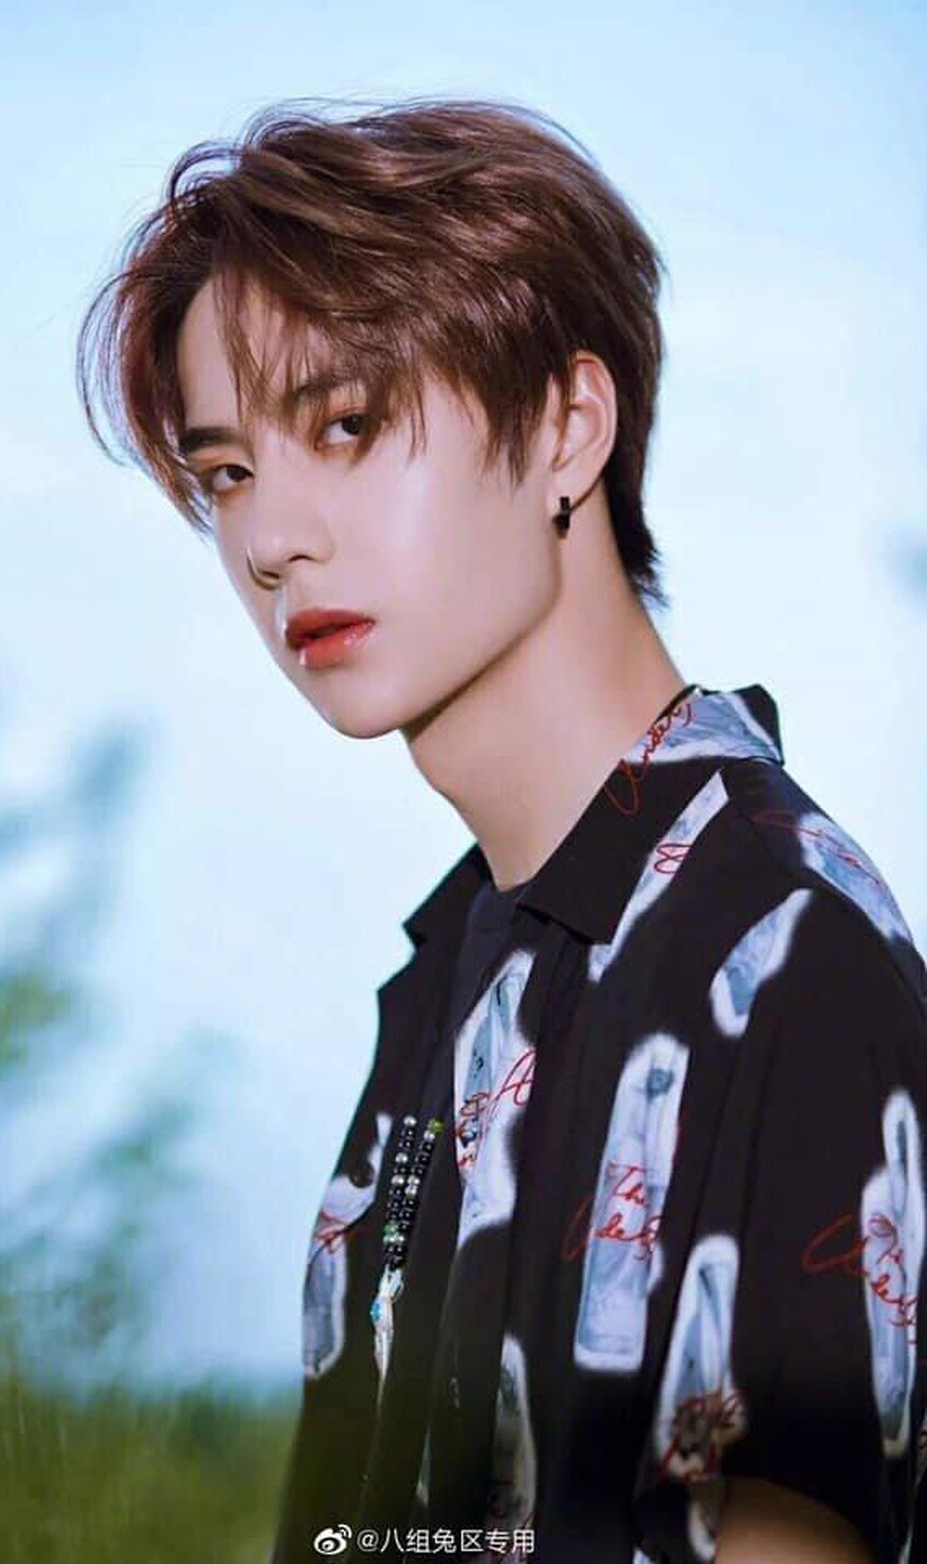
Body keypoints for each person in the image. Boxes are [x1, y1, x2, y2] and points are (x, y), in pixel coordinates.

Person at [76, 94, 927, 1564]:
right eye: (228, 473)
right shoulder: (448, 981)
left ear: (568, 428)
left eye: (346, 425)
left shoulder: (789, 956)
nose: (270, 538)